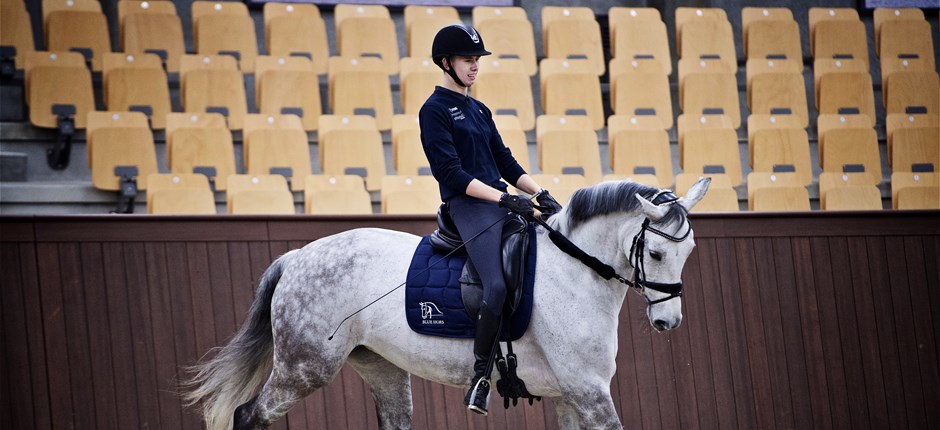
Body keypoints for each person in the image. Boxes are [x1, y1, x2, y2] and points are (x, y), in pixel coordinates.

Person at [419, 24, 562, 415]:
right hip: (468, 206)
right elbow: (450, 174)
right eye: (467, 60)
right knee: (495, 285)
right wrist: (503, 197)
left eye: (477, 60)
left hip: (500, 201)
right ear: (446, 63)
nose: (474, 66)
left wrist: (539, 193)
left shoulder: (479, 109)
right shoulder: (433, 110)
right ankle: (480, 377)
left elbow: (504, 159)